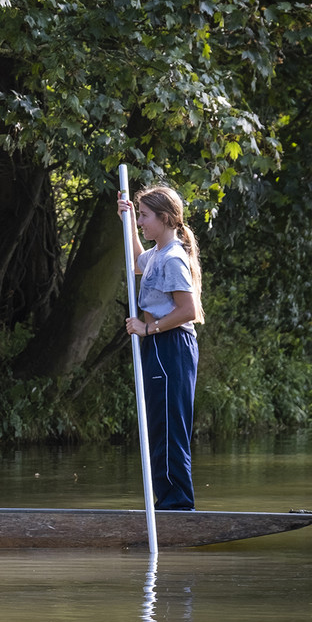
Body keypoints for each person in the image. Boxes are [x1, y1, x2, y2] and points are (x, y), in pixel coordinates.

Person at [119, 185, 205, 511]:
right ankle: (168, 505)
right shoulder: (156, 255)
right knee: (158, 428)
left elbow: (188, 311)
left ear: (165, 218)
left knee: (170, 430)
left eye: (144, 216)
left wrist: (147, 328)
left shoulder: (174, 258)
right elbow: (136, 261)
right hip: (157, 346)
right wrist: (126, 219)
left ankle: (178, 507)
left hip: (172, 346)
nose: (141, 221)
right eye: (138, 215)